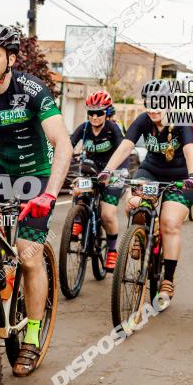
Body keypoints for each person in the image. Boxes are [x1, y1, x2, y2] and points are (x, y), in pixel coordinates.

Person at [0, 23, 72, 377]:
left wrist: (48, 194)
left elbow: (63, 144)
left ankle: (31, 335)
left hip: (35, 175)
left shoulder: (32, 90)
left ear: (11, 58)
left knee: (29, 258)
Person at [98, 79, 193, 303]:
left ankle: (167, 281)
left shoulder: (180, 121)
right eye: (149, 103)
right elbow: (126, 146)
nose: (153, 108)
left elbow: (191, 150)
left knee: (169, 223)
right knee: (134, 203)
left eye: (159, 103)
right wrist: (107, 170)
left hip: (181, 178)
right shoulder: (143, 120)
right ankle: (140, 235)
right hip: (151, 172)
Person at [70, 90, 125, 271]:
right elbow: (68, 145)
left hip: (113, 172)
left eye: (99, 112)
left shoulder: (113, 129)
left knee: (107, 214)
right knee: (79, 190)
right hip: (91, 171)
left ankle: (111, 250)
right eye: (91, 112)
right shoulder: (84, 128)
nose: (94, 116)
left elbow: (123, 153)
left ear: (107, 112)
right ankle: (78, 219)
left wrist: (113, 173)